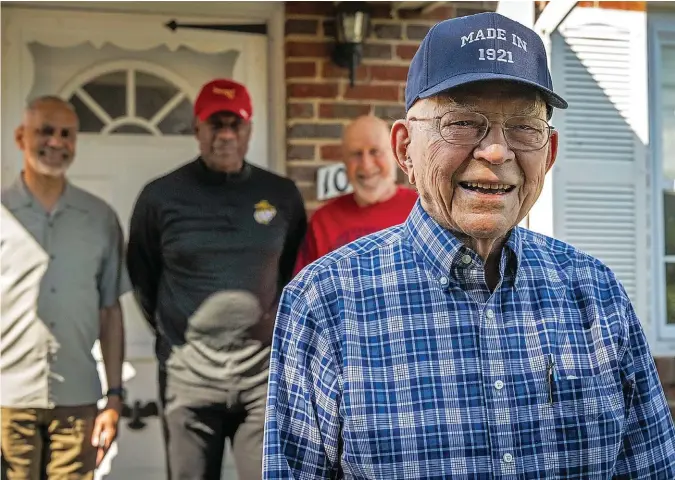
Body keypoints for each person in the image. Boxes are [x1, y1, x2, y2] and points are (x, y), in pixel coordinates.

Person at [263, 12, 675, 479]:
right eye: (461, 122)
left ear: (550, 153)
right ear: (405, 151)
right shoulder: (324, 303)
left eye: (523, 127)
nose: (497, 152)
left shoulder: (597, 295)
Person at [126, 78, 307, 480]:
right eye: (215, 124)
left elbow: (289, 271)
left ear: (249, 130)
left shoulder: (281, 194)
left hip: (262, 379)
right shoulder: (160, 197)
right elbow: (143, 277)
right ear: (197, 129)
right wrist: (180, 333)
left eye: (234, 124)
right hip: (189, 379)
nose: (225, 135)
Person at [1, 96, 129, 480]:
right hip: (7, 401)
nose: (56, 142)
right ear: (21, 137)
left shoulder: (99, 218)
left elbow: (110, 312)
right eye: (45, 131)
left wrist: (115, 397)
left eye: (66, 134)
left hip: (78, 399)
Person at [293, 115, 417, 274]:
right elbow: (304, 292)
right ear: (344, 161)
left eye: (375, 152)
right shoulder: (323, 222)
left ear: (395, 153)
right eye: (356, 154)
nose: (366, 165)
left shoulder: (423, 210)